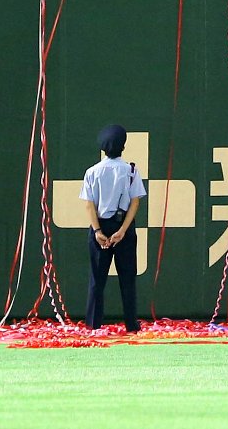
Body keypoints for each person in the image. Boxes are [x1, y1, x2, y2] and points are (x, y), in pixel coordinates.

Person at [80, 124, 146, 333]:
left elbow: (89, 204)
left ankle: (93, 323)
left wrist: (98, 231)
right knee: (127, 279)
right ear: (123, 147)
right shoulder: (131, 171)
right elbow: (135, 202)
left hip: (100, 225)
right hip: (123, 226)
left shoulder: (92, 172)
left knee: (96, 280)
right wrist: (123, 230)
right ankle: (131, 324)